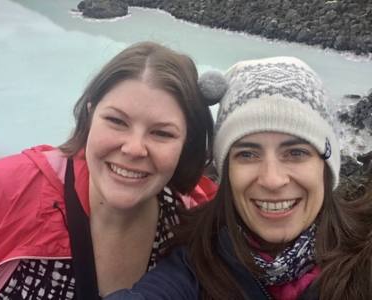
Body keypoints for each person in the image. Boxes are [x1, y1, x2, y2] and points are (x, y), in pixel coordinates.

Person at [104, 56, 372, 300]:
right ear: (226, 171)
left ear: (325, 167)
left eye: (296, 152)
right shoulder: (195, 262)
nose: (272, 179)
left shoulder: (363, 259)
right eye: (247, 154)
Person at [0, 41, 218, 299]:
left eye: (162, 133)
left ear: (186, 142)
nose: (134, 149)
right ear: (90, 115)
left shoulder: (194, 223)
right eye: (116, 121)